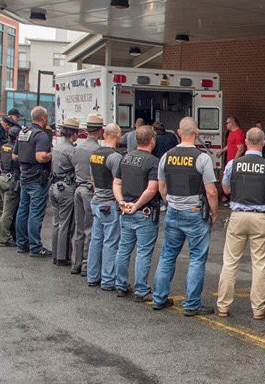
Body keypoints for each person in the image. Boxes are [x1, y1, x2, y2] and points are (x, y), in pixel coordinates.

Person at [152, 117, 219, 316]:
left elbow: (161, 187)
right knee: (197, 258)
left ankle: (159, 298)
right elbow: (211, 192)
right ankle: (191, 305)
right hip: (195, 213)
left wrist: (170, 203)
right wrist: (214, 213)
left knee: (167, 256)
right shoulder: (202, 158)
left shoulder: (166, 156)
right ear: (196, 132)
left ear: (179, 133)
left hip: (173, 211)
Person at [217, 128, 265, 320]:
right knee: (259, 264)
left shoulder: (233, 164)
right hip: (260, 217)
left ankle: (223, 306)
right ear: (263, 143)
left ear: (246, 142)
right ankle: (258, 309)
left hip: (238, 215)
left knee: (230, 263)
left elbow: (226, 189)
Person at [113, 125, 161, 301]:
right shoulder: (153, 161)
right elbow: (152, 189)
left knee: (123, 249)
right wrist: (137, 205)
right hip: (143, 212)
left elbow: (116, 183)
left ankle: (121, 285)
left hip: (125, 210)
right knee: (143, 252)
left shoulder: (125, 158)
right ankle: (141, 290)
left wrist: (121, 202)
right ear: (152, 140)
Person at [13, 106, 53, 257]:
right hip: (37, 178)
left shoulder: (23, 132)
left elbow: (14, 156)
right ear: (44, 118)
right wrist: (51, 154)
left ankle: (21, 244)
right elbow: (41, 157)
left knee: (23, 210)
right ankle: (35, 247)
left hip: (25, 176)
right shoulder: (41, 135)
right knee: (35, 213)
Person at [87, 123, 123, 290]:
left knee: (96, 240)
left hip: (96, 201)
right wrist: (120, 201)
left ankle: (92, 275)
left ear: (104, 135)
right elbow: (118, 183)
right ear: (118, 135)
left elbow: (93, 178)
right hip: (109, 202)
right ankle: (108, 280)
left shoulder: (95, 153)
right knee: (110, 242)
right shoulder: (115, 157)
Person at [70, 113, 104, 275]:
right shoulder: (97, 150)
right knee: (90, 229)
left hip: (78, 188)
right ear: (100, 131)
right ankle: (86, 265)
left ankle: (76, 263)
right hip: (89, 190)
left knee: (79, 228)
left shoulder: (77, 148)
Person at [49, 117, 81, 266]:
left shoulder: (56, 147)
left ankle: (56, 254)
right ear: (74, 134)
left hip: (54, 186)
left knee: (57, 222)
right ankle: (63, 256)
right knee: (66, 224)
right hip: (66, 187)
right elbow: (78, 168)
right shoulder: (71, 150)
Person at [0, 125, 21, 247]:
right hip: (12, 180)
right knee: (8, 212)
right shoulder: (17, 149)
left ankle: (2, 234)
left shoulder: (4, 146)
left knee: (4, 209)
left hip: (3, 177)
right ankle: (4, 238)